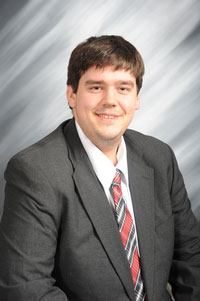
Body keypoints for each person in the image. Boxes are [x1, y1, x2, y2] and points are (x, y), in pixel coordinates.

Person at [0, 35, 199, 301]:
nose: (110, 100)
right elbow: (26, 289)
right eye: (96, 87)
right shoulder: (35, 171)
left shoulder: (159, 157)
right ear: (72, 94)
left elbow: (191, 260)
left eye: (123, 88)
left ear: (137, 98)